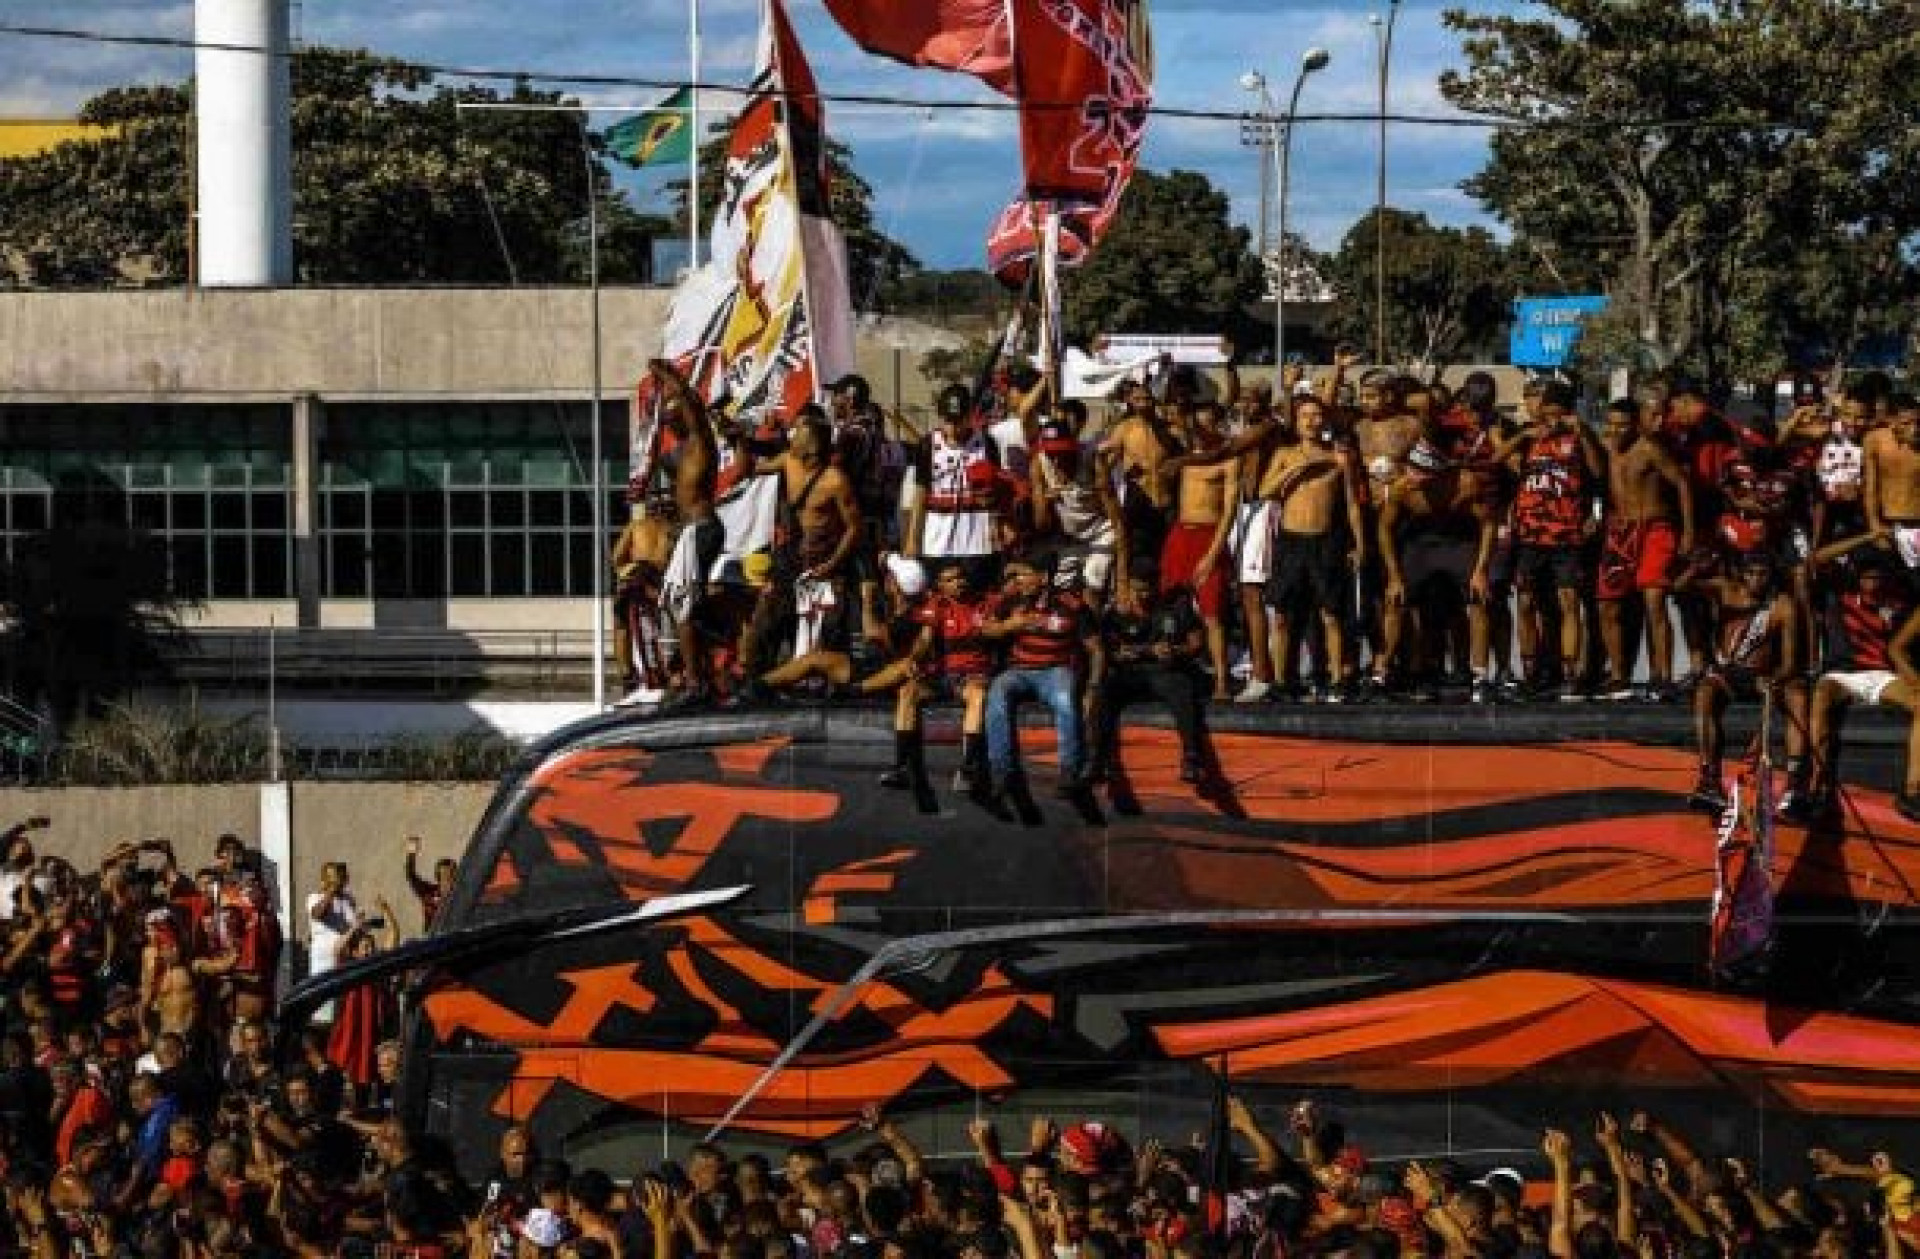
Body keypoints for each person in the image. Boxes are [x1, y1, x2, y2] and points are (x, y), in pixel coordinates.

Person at [1797, 546, 1919, 819]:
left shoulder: (1899, 603)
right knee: (1821, 694)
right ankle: (1817, 784)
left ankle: (1912, 792)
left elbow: (1902, 647)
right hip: (1842, 674)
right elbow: (1814, 559)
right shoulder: (1838, 596)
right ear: (1857, 578)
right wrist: (1870, 536)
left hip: (1882, 675)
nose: (1873, 584)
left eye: (1878, 578)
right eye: (1867, 578)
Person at [1682, 550, 1804, 813]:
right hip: (1728, 672)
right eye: (1751, 573)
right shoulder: (1726, 590)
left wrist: (1774, 679)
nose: (1756, 580)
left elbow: (1791, 662)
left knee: (1797, 694)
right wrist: (1694, 569)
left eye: (1763, 574)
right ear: (1741, 573)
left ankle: (1795, 782)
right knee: (1704, 693)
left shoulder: (1783, 605)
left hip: (1763, 674)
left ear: (1771, 576)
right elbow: (1679, 588)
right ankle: (1710, 779)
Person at [1502, 380, 1602, 699]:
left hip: (1566, 536)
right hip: (1530, 535)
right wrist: (1523, 435)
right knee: (1526, 602)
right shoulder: (1529, 438)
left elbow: (1599, 472)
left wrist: (1583, 432)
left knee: (1569, 602)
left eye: (1557, 415)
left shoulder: (1578, 439)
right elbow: (1496, 459)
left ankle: (1570, 673)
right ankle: (1530, 673)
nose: (1551, 421)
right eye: (1546, 415)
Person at [982, 556, 1105, 802]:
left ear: (1044, 578)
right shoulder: (1012, 600)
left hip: (1055, 670)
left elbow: (1096, 649)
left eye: (1025, 574)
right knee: (996, 693)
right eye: (1017, 576)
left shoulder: (1070, 604)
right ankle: (1001, 773)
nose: (1019, 580)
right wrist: (1008, 626)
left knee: (1066, 701)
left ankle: (1069, 771)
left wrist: (1093, 687)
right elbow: (986, 629)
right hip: (1019, 670)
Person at [1596, 397, 1694, 700]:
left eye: (1623, 424)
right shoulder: (1606, 448)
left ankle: (1662, 676)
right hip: (1620, 532)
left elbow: (1681, 483)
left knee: (1654, 600)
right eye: (1611, 424)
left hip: (1655, 528)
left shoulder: (1649, 449)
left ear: (1636, 424)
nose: (1616, 430)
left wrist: (1687, 531)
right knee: (1607, 604)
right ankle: (1618, 675)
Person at [648, 360, 726, 704]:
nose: (667, 417)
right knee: (680, 607)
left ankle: (697, 682)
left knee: (684, 609)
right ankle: (701, 670)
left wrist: (673, 378)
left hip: (701, 530)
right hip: (688, 533)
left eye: (672, 411)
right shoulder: (678, 455)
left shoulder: (700, 441)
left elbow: (693, 404)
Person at [1091, 560, 1208, 785]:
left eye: (1146, 589)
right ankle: (1096, 760)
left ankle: (1192, 758)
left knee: (1183, 688)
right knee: (1104, 692)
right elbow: (1110, 651)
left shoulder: (1177, 607)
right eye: (1136, 589)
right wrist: (1127, 653)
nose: (1141, 596)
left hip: (1165, 672)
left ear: (1157, 585)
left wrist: (1175, 650)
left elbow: (1197, 644)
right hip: (1130, 673)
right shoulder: (1115, 612)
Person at [1155, 401, 1239, 698]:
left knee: (1213, 614)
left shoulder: (1228, 461)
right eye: (1198, 424)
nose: (1203, 429)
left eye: (1209, 423)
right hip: (1181, 534)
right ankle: (1170, 673)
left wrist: (1213, 554)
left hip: (1209, 536)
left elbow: (1229, 512)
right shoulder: (1185, 460)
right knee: (1169, 604)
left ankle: (1222, 680)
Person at [906, 383, 1003, 578]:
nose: (954, 427)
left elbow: (995, 494)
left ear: (970, 416)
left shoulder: (986, 444)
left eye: (959, 421)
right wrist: (912, 539)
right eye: (949, 421)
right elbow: (920, 495)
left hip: (976, 541)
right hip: (937, 542)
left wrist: (996, 528)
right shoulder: (928, 445)